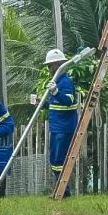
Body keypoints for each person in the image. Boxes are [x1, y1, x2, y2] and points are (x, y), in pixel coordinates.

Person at [43, 48, 77, 196]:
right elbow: (55, 104)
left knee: (58, 160)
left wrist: (56, 91)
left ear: (58, 64)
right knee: (55, 159)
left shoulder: (65, 82)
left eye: (50, 65)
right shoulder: (57, 82)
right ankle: (62, 190)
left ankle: (64, 191)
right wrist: (40, 103)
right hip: (57, 127)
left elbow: (69, 101)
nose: (49, 68)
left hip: (64, 128)